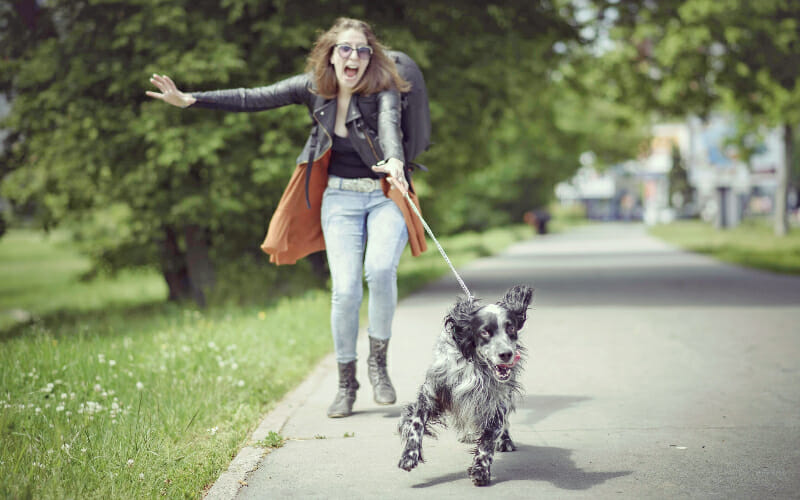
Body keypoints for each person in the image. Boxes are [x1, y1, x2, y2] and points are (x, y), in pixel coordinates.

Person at [147, 17, 427, 418]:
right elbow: (252, 97)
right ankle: (346, 383)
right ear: (330, 54)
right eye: (345, 49)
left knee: (380, 271)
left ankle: (378, 365)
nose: (354, 57)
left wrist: (396, 159)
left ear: (371, 57)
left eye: (362, 50)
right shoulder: (311, 87)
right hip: (340, 199)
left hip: (384, 195)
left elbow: (389, 124)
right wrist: (191, 99)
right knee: (345, 290)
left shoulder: (383, 88)